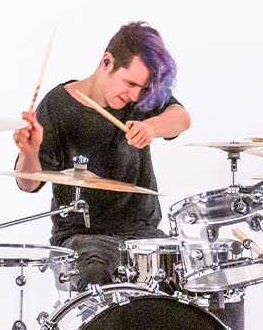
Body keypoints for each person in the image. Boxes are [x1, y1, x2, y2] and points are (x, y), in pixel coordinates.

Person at [12, 21, 191, 286]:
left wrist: (151, 126)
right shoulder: (59, 105)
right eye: (129, 83)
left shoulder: (143, 98)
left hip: (142, 234)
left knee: (201, 280)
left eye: (141, 89)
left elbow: (182, 118)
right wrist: (30, 152)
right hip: (83, 237)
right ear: (107, 62)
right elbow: (27, 184)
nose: (134, 95)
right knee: (98, 280)